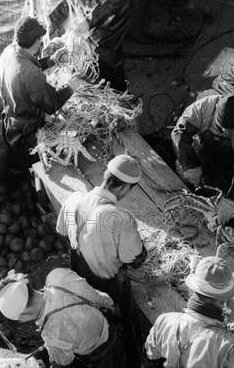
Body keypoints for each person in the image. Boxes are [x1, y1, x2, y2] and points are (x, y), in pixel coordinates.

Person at [56, 154, 147, 368]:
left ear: (106, 176)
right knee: (125, 324)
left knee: (97, 323)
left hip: (79, 281)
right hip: (111, 288)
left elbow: (61, 232)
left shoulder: (73, 199)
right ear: (125, 188)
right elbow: (135, 260)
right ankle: (135, 361)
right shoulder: (119, 218)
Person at [0, 268, 127, 367]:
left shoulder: (53, 333)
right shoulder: (57, 276)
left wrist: (51, 357)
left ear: (23, 315)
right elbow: (97, 298)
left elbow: (64, 362)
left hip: (104, 356)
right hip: (111, 327)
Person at [0, 15, 74, 177]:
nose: (41, 43)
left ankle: (19, 172)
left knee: (21, 163)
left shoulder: (9, 51)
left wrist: (52, 60)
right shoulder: (31, 72)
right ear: (37, 41)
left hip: (9, 124)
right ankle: (35, 187)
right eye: (40, 39)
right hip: (26, 134)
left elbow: (26, 68)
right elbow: (51, 105)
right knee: (38, 173)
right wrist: (71, 87)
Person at [171, 94, 234, 226]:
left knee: (221, 210)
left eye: (229, 131)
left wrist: (231, 200)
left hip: (227, 167)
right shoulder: (202, 107)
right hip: (198, 157)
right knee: (186, 192)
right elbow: (179, 133)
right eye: (220, 127)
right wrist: (189, 165)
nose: (223, 132)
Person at [143, 255, 234, 368]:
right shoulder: (231, 347)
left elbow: (149, 359)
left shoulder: (164, 321)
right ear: (225, 299)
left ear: (193, 290)